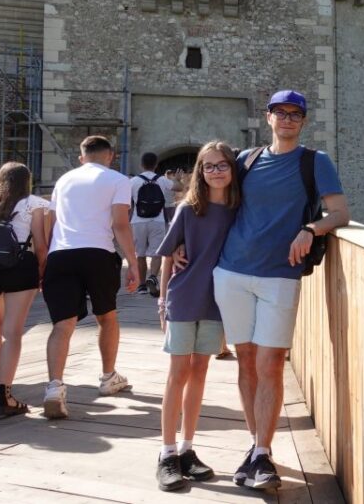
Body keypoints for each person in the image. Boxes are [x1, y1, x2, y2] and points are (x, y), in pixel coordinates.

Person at [180, 90, 348, 490]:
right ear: (268, 117)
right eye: (281, 112)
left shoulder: (315, 162)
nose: (288, 119)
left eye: (296, 114)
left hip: (280, 274)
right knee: (246, 360)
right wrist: (184, 241)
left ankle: (261, 452)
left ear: (303, 121)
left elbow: (340, 212)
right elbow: (210, 198)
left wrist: (311, 228)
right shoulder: (246, 160)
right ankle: (258, 450)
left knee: (271, 363)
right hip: (232, 271)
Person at [152, 141, 240, 491]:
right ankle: (167, 452)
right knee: (178, 373)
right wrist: (162, 301)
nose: (215, 171)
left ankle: (188, 448)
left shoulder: (238, 210)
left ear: (232, 169)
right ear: (200, 173)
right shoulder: (189, 209)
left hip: (217, 301)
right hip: (186, 297)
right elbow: (168, 258)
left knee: (200, 372)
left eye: (222, 165)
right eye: (208, 166)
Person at [41, 135, 140, 419]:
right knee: (106, 317)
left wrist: (47, 257)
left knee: (62, 325)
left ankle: (54, 387)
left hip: (61, 254)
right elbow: (120, 224)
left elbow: (53, 220)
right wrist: (133, 263)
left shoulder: (64, 181)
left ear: (81, 157)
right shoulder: (118, 180)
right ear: (110, 156)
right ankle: (109, 377)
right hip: (98, 253)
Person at [0, 162, 49, 417]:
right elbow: (41, 245)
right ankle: (5, 394)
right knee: (13, 333)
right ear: (27, 181)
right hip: (20, 266)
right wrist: (43, 274)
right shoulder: (34, 204)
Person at [130, 152, 182, 295]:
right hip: (157, 220)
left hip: (138, 221)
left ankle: (141, 286)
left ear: (141, 165)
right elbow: (179, 187)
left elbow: (127, 202)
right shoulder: (162, 180)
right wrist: (178, 179)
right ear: (156, 165)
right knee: (156, 253)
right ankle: (153, 277)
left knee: (139, 254)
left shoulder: (133, 181)